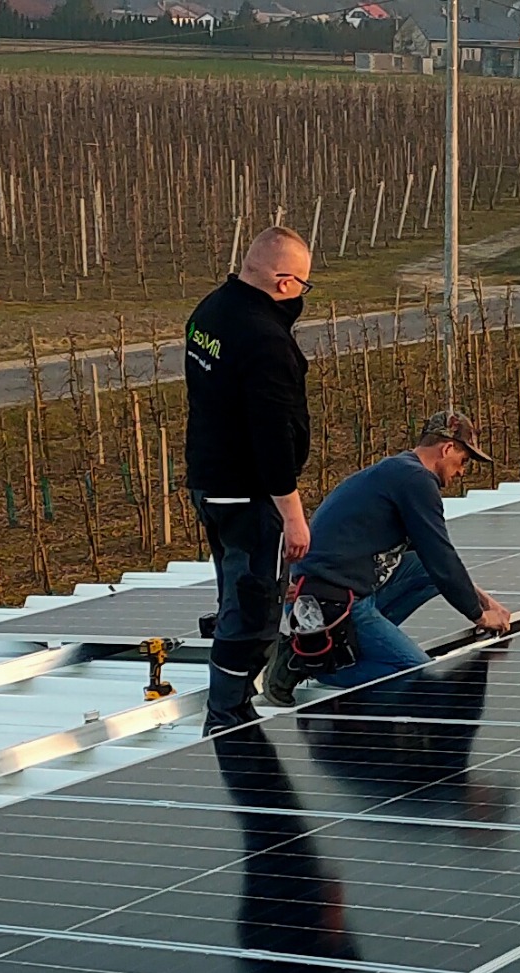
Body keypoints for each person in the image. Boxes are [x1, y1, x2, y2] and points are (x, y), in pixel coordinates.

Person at [259, 411, 513, 703]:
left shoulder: (399, 470)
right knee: (413, 673)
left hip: (339, 589)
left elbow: (430, 557)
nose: (461, 472)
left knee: (422, 568)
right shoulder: (417, 481)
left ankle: (342, 646)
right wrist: (479, 615)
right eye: (463, 461)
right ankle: (306, 660)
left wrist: (483, 599)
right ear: (446, 448)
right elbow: (440, 555)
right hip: (331, 601)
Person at [184, 225, 314, 734]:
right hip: (246, 490)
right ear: (284, 282)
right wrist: (294, 515)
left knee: (232, 591)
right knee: (256, 606)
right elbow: (272, 439)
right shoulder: (266, 341)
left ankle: (229, 701)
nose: (302, 295)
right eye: (303, 285)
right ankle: (228, 714)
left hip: (208, 479)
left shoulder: (210, 311)